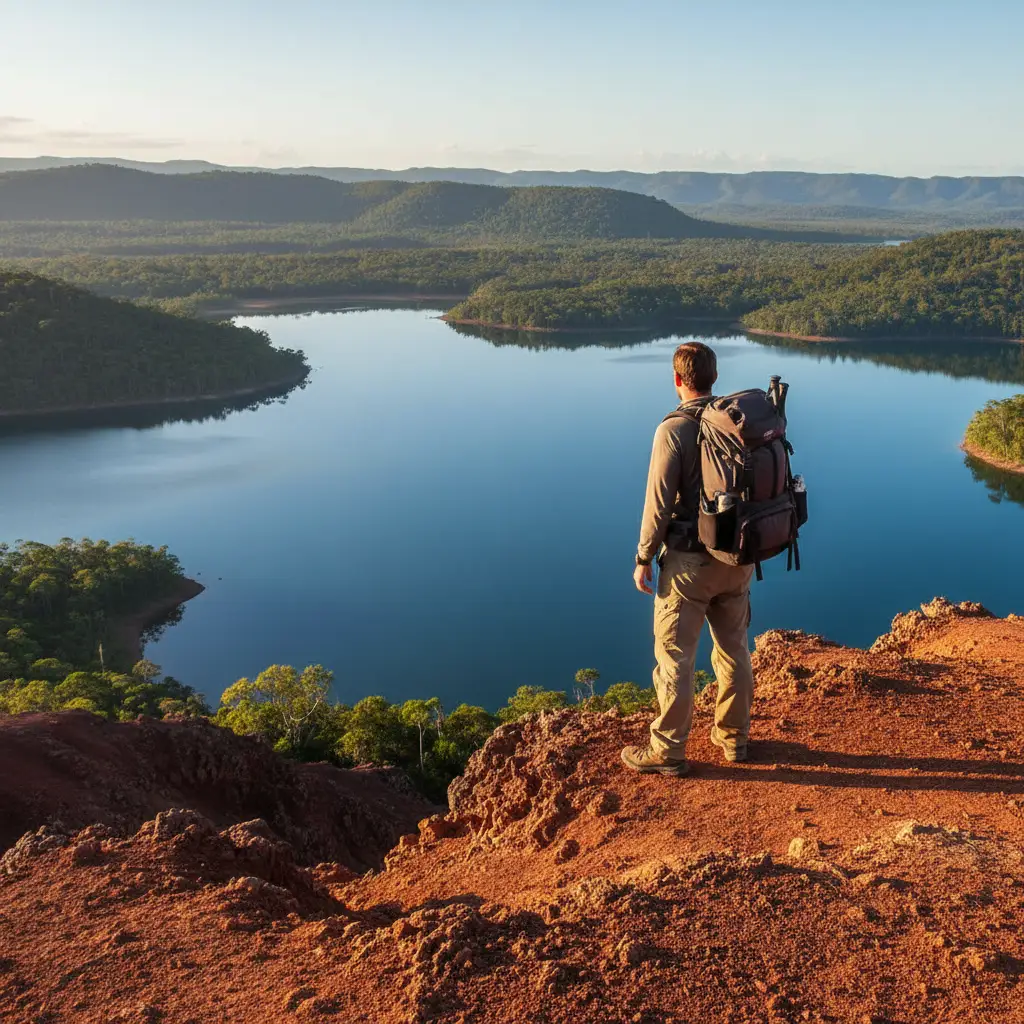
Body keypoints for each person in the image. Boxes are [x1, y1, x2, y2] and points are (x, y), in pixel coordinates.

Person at [621, 341, 755, 776]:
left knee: (675, 656)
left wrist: (643, 556)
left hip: (689, 565)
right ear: (714, 377)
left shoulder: (673, 429)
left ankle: (667, 751)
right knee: (734, 649)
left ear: (678, 379)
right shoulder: (735, 422)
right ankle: (733, 738)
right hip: (737, 557)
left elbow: (658, 503)